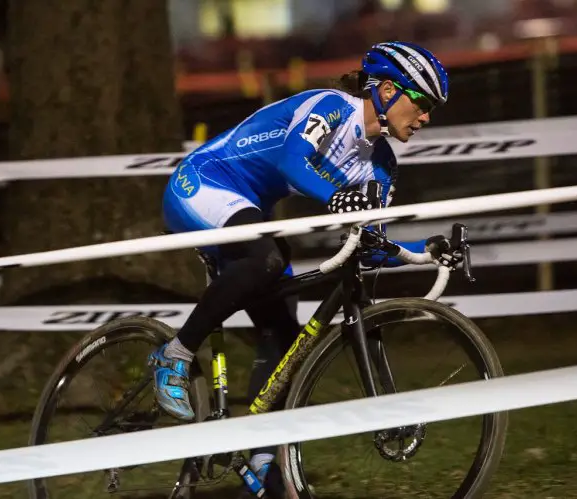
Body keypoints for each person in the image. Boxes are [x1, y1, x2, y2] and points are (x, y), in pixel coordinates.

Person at [149, 41, 449, 496]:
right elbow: (294, 159)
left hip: (247, 207)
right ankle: (173, 355)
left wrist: (426, 250)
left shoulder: (382, 166)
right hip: (203, 183)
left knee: (286, 342)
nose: (426, 117)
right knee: (269, 258)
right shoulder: (332, 108)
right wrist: (337, 200)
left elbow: (370, 243)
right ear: (387, 91)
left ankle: (267, 470)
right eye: (423, 103)